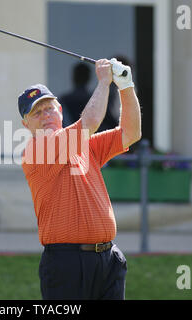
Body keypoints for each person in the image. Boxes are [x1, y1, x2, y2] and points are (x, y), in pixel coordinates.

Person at [18, 59, 141, 300]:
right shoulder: (36, 150)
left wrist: (126, 86)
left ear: (60, 111)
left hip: (108, 260)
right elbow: (90, 123)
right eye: (36, 112)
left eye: (50, 108)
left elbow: (131, 133)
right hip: (67, 263)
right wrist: (105, 81)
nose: (45, 116)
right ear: (26, 124)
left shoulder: (85, 145)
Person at [59, 62, 93, 127]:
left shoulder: (63, 100)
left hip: (70, 135)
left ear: (74, 77)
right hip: (89, 135)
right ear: (89, 77)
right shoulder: (97, 100)